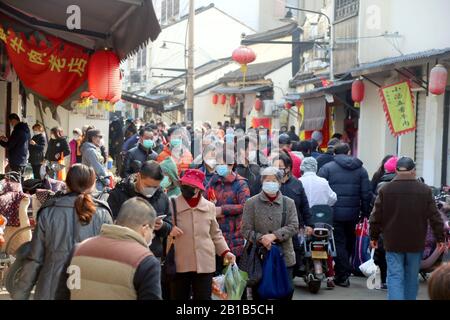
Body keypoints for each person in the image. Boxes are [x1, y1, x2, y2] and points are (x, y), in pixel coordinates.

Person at [12, 164, 113, 300]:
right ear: (92, 184)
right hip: (88, 290)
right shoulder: (102, 213)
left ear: (67, 183)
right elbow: (109, 261)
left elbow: (35, 259)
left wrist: (20, 294)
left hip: (50, 289)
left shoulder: (48, 211)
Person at [370, 157, 445, 300]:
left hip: (392, 241)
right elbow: (435, 217)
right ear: (413, 171)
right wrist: (440, 238)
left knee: (395, 275)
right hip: (415, 242)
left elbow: (376, 216)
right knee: (411, 276)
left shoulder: (386, 189)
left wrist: (373, 237)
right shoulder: (424, 190)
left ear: (397, 170)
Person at [70, 197, 162, 300]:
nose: (152, 235)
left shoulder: (78, 250)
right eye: (152, 230)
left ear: (116, 221)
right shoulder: (146, 261)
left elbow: (62, 294)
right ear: (145, 228)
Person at [170, 169, 235, 300]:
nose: (186, 189)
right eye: (185, 185)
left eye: (191, 186)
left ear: (198, 189)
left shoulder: (209, 207)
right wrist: (170, 229)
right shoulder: (173, 204)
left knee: (203, 297)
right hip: (180, 261)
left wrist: (225, 251)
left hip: (204, 262)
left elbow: (215, 233)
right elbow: (165, 228)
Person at [241, 166, 299, 299]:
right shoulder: (251, 203)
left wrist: (274, 236)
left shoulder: (288, 203)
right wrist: (261, 238)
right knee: (259, 293)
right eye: (267, 180)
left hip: (284, 255)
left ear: (279, 182)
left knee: (286, 291)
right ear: (262, 182)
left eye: (274, 180)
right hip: (259, 257)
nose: (270, 183)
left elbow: (294, 226)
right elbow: (245, 230)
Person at [318, 143, 371, 287]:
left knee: (339, 242)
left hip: (334, 213)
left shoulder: (327, 168)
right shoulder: (361, 170)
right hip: (354, 214)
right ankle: (344, 270)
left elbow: (320, 190)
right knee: (349, 241)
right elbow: (366, 194)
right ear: (349, 152)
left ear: (334, 153)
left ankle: (342, 274)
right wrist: (365, 212)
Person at [108, 160, 172, 259]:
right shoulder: (119, 194)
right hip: (124, 255)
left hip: (152, 255)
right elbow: (110, 224)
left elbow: (169, 225)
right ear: (138, 176)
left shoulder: (162, 197)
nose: (151, 190)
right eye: (148, 186)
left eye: (155, 187)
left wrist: (162, 226)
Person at [205, 148, 250, 268]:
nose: (219, 167)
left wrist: (222, 210)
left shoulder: (240, 183)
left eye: (222, 163)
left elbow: (245, 206)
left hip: (234, 235)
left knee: (232, 276)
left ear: (231, 165)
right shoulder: (213, 181)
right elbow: (204, 199)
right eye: (217, 163)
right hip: (215, 233)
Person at [300, 157, 337, 288]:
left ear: (302, 168)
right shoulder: (323, 182)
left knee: (298, 244)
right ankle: (330, 276)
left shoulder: (299, 182)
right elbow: (333, 198)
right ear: (315, 167)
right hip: (322, 222)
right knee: (326, 243)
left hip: (304, 223)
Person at [371, 155, 398, 290]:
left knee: (382, 252)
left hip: (383, 223)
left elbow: (375, 205)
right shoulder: (402, 185)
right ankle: (393, 280)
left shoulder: (379, 181)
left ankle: (384, 280)